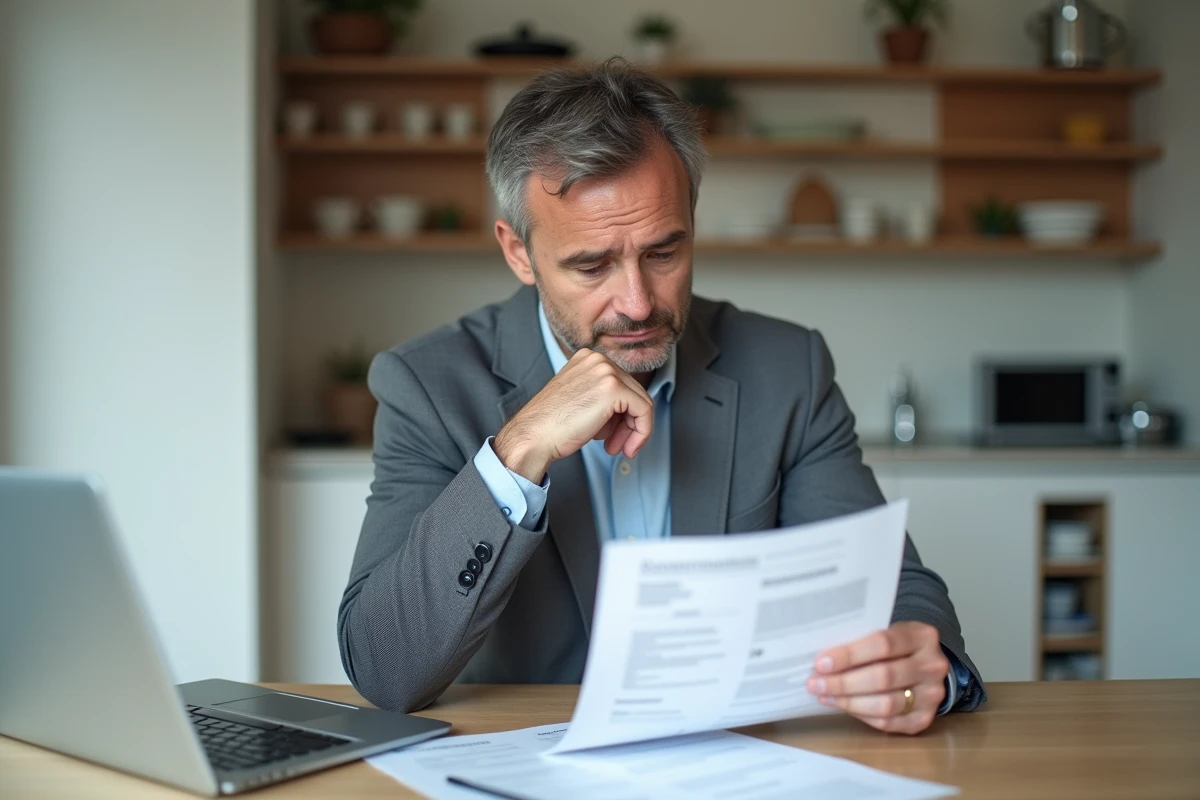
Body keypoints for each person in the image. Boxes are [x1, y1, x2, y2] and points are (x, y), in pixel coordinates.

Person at [338, 60, 985, 734]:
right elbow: (385, 668)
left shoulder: (787, 369)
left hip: (738, 761)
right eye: (592, 265)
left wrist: (923, 665)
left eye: (664, 252)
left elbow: (892, 589)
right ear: (519, 253)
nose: (638, 302)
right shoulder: (429, 385)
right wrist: (515, 454)